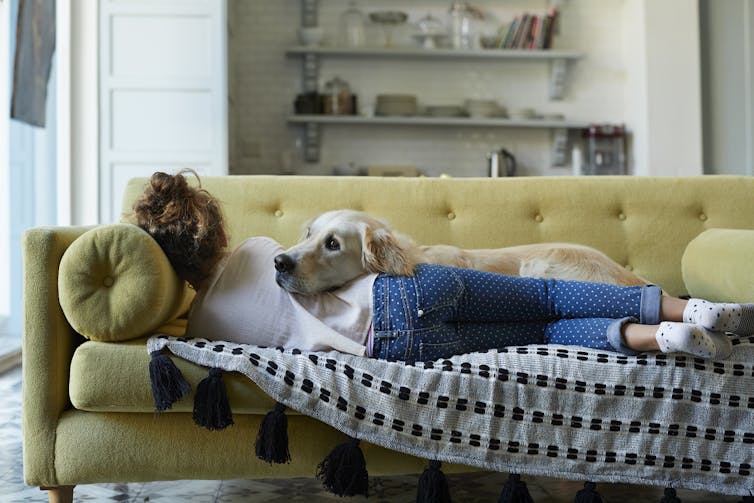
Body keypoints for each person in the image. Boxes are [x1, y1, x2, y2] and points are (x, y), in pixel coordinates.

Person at [133, 170, 753, 362]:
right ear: (215, 227)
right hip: (419, 289)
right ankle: (684, 310)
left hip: (402, 352)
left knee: (543, 336)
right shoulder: (263, 252)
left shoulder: (205, 328)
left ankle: (662, 339)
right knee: (546, 302)